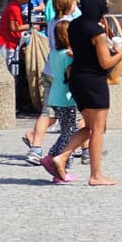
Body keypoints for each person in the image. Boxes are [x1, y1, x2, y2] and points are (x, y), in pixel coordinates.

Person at [44, 0, 122, 186]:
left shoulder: (74, 25)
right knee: (98, 129)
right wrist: (120, 52)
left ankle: (61, 157)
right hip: (94, 80)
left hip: (77, 78)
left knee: (88, 127)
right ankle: (96, 174)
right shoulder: (96, 31)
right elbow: (105, 62)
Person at [22, 0, 78, 162]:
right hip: (62, 69)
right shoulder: (63, 12)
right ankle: (42, 149)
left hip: (54, 65)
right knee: (61, 111)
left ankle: (77, 146)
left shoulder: (56, 12)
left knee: (62, 112)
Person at [45, 20, 79, 158]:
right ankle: (55, 157)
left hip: (55, 94)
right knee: (69, 132)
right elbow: (71, 76)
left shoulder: (53, 53)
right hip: (66, 97)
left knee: (67, 130)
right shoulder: (68, 56)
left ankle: (57, 159)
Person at [0, 0, 29, 71]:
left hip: (6, 43)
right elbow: (14, 28)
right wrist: (29, 26)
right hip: (5, 44)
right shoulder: (14, 8)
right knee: (2, 70)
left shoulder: (14, 6)